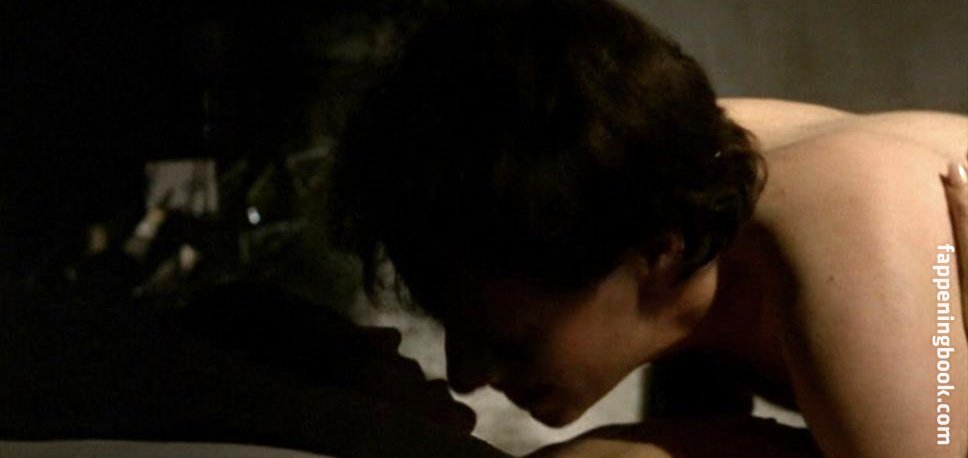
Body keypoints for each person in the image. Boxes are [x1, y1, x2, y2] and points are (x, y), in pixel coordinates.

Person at [325, 0, 968, 456]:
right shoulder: (649, 172)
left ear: (660, 251)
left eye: (513, 342)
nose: (464, 375)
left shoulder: (847, 238)